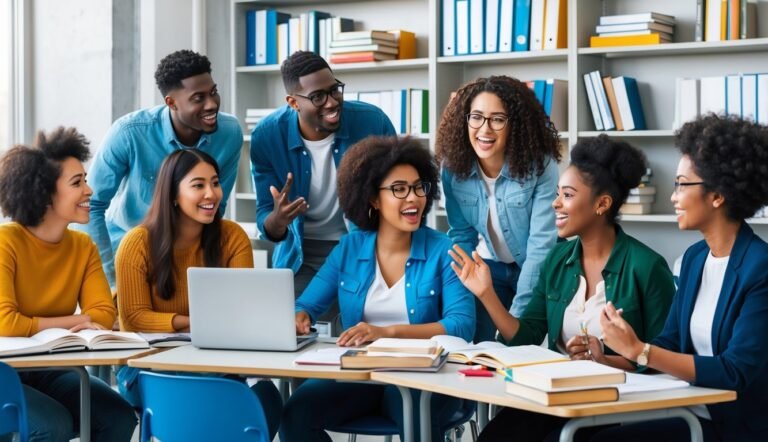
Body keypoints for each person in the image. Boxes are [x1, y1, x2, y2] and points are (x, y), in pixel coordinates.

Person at [451, 135, 676, 442]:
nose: (555, 203)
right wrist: (486, 294)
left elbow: (667, 358)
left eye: (567, 195)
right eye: (557, 194)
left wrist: (605, 359)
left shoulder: (647, 266)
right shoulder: (557, 259)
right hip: (558, 397)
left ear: (602, 204)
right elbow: (525, 336)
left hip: (617, 404)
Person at [280, 137, 475, 442]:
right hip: (362, 375)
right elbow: (304, 305)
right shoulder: (349, 248)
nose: (413, 198)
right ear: (372, 199)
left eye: (418, 187)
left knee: (413, 416)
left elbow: (461, 324)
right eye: (399, 189)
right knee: (296, 414)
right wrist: (300, 315)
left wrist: (387, 332)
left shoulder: (443, 250)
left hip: (424, 378)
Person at [595, 114, 768, 442]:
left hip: (736, 428)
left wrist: (640, 350)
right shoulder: (693, 259)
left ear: (717, 195)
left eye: (682, 185)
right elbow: (670, 344)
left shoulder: (760, 268)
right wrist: (611, 356)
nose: (673, 197)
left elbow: (735, 371)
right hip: (689, 413)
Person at [114, 149, 282, 440]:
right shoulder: (137, 243)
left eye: (215, 183)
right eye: (198, 185)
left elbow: (244, 312)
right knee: (226, 400)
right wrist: (193, 322)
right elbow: (133, 319)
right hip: (151, 369)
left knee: (267, 396)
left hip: (217, 364)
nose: (211, 194)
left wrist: (200, 325)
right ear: (173, 195)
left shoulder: (232, 237)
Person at [0, 128, 137, 441]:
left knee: (117, 418)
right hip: (2, 372)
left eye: (85, 179)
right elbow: (5, 322)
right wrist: (74, 321)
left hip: (48, 367)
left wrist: (81, 321)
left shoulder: (82, 246)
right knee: (53, 425)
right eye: (77, 183)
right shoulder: (5, 242)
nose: (89, 190)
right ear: (45, 193)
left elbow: (103, 315)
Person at [250, 51, 396, 318]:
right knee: (289, 330)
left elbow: (397, 190)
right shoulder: (267, 136)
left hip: (363, 246)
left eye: (335, 90)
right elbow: (265, 221)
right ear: (293, 102)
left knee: (361, 337)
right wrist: (278, 220)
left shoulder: (372, 122)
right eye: (318, 96)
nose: (331, 103)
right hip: (301, 253)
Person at [83, 49, 242, 289]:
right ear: (171, 103)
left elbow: (216, 207)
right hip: (126, 252)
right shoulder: (129, 133)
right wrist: (111, 282)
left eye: (213, 92)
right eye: (198, 98)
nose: (212, 105)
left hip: (187, 259)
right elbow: (91, 205)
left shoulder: (229, 133)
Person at [436, 75, 561, 342]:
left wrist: (513, 324)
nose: (485, 129)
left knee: (519, 345)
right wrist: (461, 298)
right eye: (477, 117)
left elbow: (541, 246)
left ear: (514, 125)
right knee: (481, 348)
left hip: (540, 270)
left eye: (497, 119)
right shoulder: (453, 169)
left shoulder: (542, 167)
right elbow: (461, 235)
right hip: (492, 268)